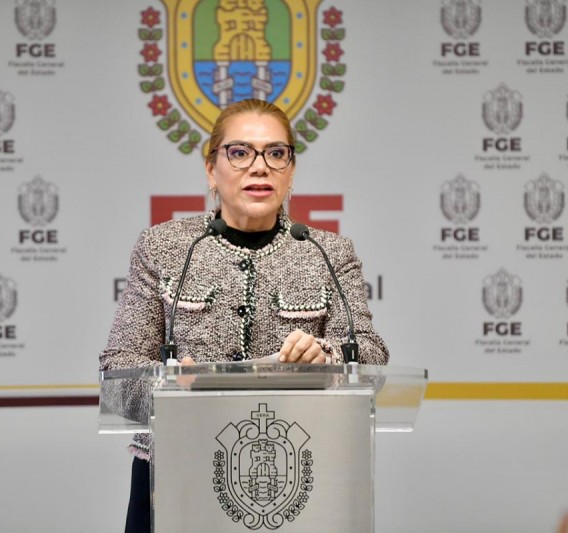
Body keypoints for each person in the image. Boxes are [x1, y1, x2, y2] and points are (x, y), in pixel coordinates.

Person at [99, 98, 389, 533]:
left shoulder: (328, 252)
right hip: (177, 473)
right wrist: (169, 389)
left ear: (291, 171)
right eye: (239, 152)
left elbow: (371, 358)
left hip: (298, 473)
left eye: (276, 153)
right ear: (211, 169)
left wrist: (325, 357)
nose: (259, 167)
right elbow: (117, 373)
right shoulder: (163, 247)